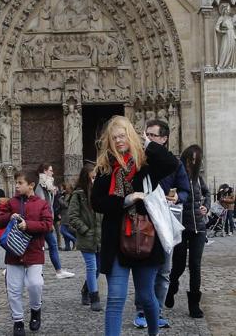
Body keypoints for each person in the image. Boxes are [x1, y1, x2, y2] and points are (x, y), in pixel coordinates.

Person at [91, 116, 178, 336]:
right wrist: (125, 200)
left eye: (123, 136)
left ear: (130, 136)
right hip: (116, 240)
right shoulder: (104, 168)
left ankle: (153, 332)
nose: (119, 141)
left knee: (146, 296)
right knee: (115, 299)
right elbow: (97, 203)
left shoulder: (145, 165)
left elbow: (171, 163)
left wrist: (146, 142)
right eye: (114, 138)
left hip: (145, 236)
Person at [134, 119, 190, 328]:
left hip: (166, 221)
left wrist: (177, 198)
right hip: (144, 221)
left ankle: (156, 311)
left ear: (164, 139)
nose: (147, 138)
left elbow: (184, 190)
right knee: (144, 268)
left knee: (164, 271)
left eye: (153, 135)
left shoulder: (173, 163)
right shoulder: (139, 160)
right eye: (145, 134)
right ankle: (142, 310)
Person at [0, 170, 53, 336]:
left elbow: (47, 225)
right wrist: (9, 217)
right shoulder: (11, 202)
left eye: (20, 183)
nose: (17, 186)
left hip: (34, 251)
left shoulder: (41, 204)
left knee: (35, 284)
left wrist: (28, 225)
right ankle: (18, 321)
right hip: (14, 251)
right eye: (16, 183)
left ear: (31, 185)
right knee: (13, 288)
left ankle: (36, 309)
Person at [165, 145, 210, 319]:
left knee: (195, 265)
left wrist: (206, 205)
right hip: (181, 227)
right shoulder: (177, 175)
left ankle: (194, 304)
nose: (192, 162)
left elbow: (207, 193)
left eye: (196, 159)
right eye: (190, 158)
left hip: (199, 228)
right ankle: (172, 287)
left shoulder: (199, 178)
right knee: (178, 265)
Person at [68, 163, 103, 312]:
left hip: (100, 238)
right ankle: (95, 297)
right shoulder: (79, 194)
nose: (95, 180)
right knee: (92, 266)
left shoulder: (101, 193)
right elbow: (73, 216)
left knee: (98, 269)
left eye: (96, 177)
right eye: (93, 177)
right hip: (87, 237)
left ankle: (85, 290)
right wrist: (85, 230)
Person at [35, 163, 74, 279]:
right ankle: (58, 270)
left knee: (46, 245)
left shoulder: (47, 185)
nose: (52, 173)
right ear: (44, 171)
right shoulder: (40, 186)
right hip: (42, 221)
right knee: (45, 245)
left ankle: (57, 270)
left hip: (46, 220)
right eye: (50, 170)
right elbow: (42, 204)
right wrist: (48, 221)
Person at [58, 182, 76, 251]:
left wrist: (60, 200)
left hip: (66, 215)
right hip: (64, 215)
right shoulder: (65, 195)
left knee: (62, 230)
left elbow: (65, 205)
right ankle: (67, 246)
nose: (61, 189)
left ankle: (74, 240)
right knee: (65, 231)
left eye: (62, 187)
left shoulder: (68, 195)